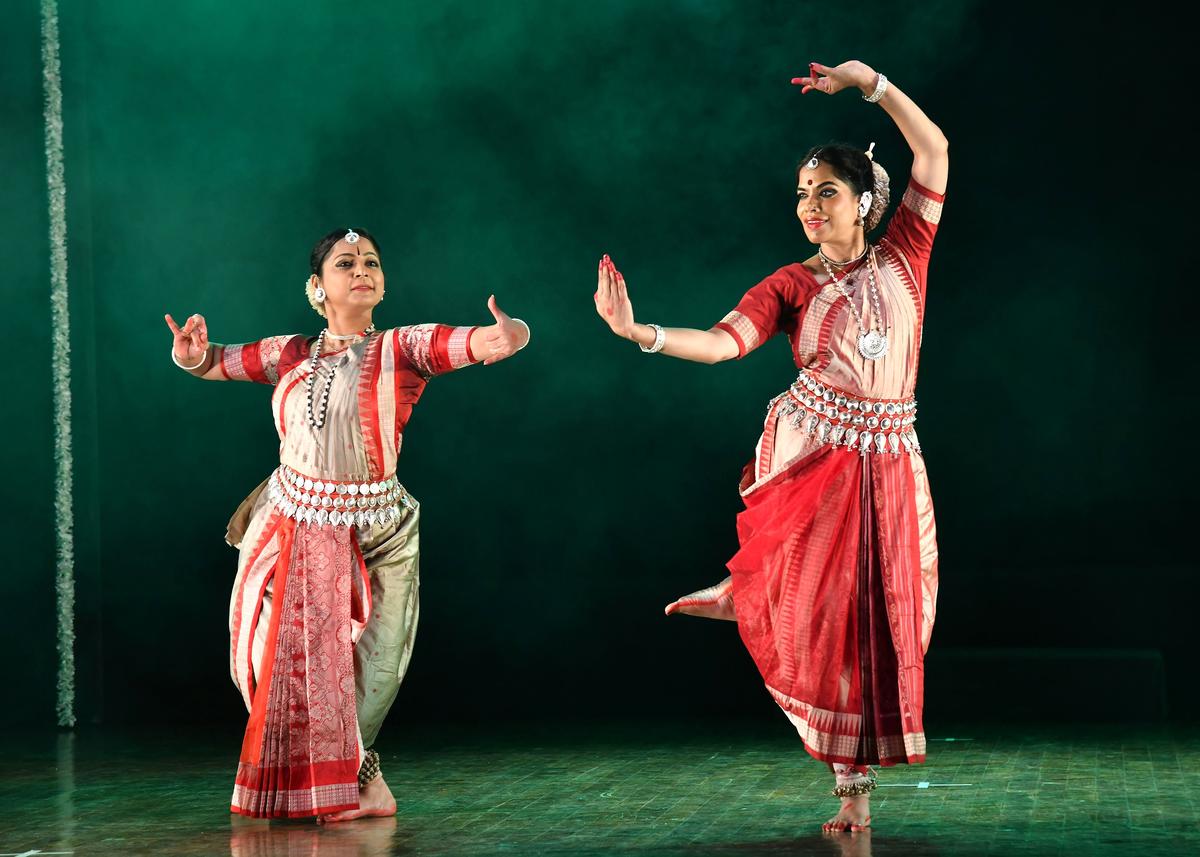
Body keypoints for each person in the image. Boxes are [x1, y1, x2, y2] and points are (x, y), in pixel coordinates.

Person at [593, 60, 948, 833]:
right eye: (800, 194)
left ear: (866, 201)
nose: (809, 205)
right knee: (833, 620)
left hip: (893, 465)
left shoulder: (905, 252)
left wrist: (873, 87)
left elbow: (935, 151)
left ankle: (753, 593)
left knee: (894, 622)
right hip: (820, 466)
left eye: (825, 191)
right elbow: (724, 344)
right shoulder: (789, 283)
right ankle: (761, 602)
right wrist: (640, 332)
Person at [165, 227, 530, 822]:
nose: (362, 270)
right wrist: (191, 355)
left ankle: (364, 781)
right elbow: (212, 364)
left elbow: (470, 342)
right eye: (346, 263)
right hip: (293, 522)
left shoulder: (402, 347)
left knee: (367, 673)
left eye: (371, 262)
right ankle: (334, 784)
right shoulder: (289, 353)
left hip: (378, 530)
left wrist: (507, 337)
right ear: (317, 286)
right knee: (266, 662)